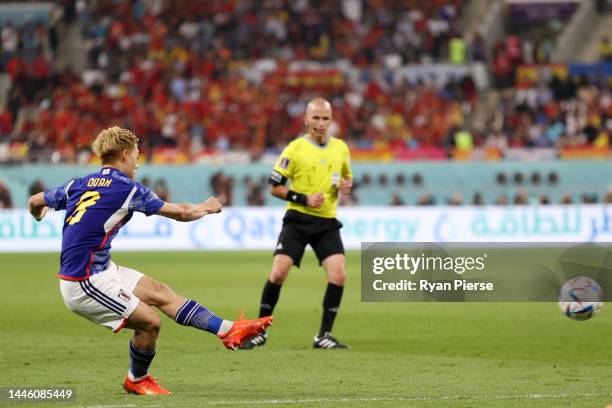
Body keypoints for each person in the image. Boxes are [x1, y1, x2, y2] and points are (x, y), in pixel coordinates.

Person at [27, 126, 272, 395]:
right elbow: (180, 213)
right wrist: (207, 207)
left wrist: (39, 216)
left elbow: (35, 200)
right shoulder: (126, 188)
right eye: (135, 155)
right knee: (150, 322)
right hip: (83, 282)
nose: (137, 162)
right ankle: (137, 378)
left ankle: (227, 330)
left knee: (160, 292)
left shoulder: (79, 184)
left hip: (102, 268)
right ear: (123, 155)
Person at [240, 98, 352, 350]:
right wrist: (304, 198)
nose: (321, 123)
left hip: (326, 221)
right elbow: (274, 187)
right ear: (306, 119)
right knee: (278, 273)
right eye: (316, 118)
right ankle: (259, 331)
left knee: (339, 274)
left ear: (331, 120)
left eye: (325, 118)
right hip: (298, 220)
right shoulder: (295, 149)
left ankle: (324, 335)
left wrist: (346, 185)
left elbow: (345, 178)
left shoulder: (341, 148)